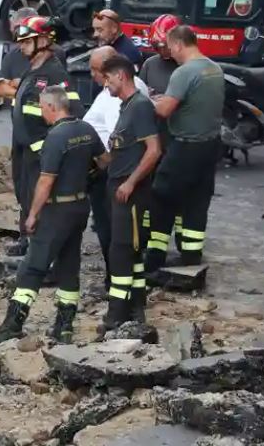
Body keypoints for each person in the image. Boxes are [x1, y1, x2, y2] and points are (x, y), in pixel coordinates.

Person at [0, 85, 106, 347]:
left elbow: (46, 182)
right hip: (80, 207)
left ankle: (12, 326)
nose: (40, 112)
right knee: (69, 267)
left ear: (51, 107)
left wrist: (33, 214)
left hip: (56, 210)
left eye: (41, 107)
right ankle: (64, 327)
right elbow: (104, 161)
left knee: (33, 267)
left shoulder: (56, 138)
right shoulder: (85, 130)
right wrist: (86, 178)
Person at [148, 25, 223, 274]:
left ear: (179, 44)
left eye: (170, 47)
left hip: (185, 146)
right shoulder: (214, 68)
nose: (170, 52)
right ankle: (191, 253)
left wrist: (145, 99)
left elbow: (164, 110)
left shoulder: (184, 72)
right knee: (196, 199)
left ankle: (155, 256)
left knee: (161, 196)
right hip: (210, 146)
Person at [7, 16, 80, 256]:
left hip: (41, 155)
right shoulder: (33, 69)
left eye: (27, 41)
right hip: (25, 150)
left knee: (42, 203)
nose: (21, 46)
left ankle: (41, 255)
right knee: (25, 196)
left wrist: (49, 152)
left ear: (43, 40)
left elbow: (72, 115)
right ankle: (27, 243)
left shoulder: (56, 75)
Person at [99, 55, 161, 330]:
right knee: (131, 252)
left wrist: (131, 182)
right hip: (119, 187)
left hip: (130, 192)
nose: (106, 85)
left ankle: (116, 313)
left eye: (108, 79)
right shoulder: (127, 107)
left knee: (121, 251)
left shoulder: (140, 108)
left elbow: (154, 150)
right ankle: (136, 308)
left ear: (121, 76)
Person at [139, 13, 180, 95]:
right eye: (157, 46)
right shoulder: (149, 64)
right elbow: (139, 91)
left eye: (165, 46)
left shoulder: (187, 66)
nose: (162, 51)